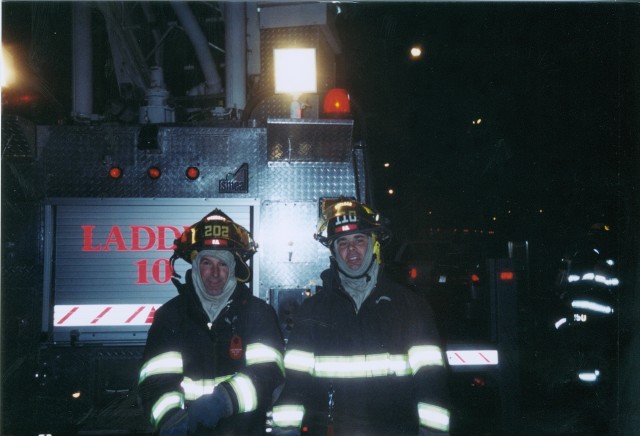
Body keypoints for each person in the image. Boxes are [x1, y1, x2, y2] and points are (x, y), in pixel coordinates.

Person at [271, 200, 451, 435]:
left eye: (360, 240)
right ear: (334, 252)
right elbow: (294, 385)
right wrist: (285, 431)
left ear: (374, 245)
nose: (351, 250)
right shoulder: (313, 312)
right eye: (342, 243)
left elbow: (432, 383)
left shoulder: (410, 307)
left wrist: (432, 432)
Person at [138, 209, 285, 435]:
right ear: (196, 267)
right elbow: (155, 380)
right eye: (207, 263)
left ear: (234, 269)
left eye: (223, 264)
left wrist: (223, 401)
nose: (215, 273)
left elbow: (268, 373)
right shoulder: (170, 316)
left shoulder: (258, 313)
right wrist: (172, 421)